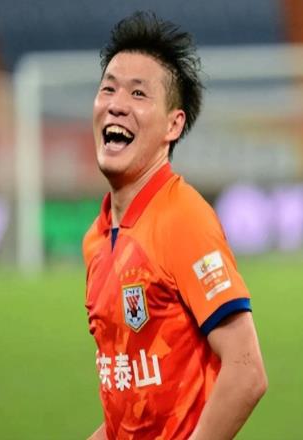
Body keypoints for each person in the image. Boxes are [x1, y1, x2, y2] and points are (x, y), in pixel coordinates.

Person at [82, 11, 267, 440]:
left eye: (138, 93)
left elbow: (246, 371)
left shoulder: (182, 217)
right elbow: (133, 407)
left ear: (173, 124)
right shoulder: (97, 239)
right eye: (108, 88)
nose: (116, 103)